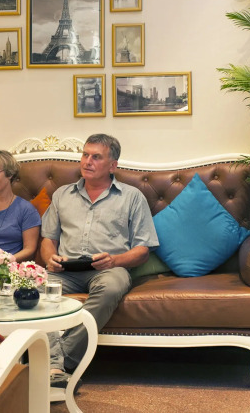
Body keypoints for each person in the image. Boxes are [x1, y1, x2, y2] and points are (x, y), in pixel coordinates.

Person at [40, 134, 159, 385]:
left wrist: (114, 261)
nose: (87, 161)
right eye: (85, 155)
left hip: (109, 269)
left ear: (112, 165)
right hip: (65, 270)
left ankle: (57, 361)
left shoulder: (132, 197)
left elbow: (143, 249)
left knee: (111, 287)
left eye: (96, 157)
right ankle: (55, 366)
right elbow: (48, 238)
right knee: (32, 286)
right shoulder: (62, 194)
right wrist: (50, 258)